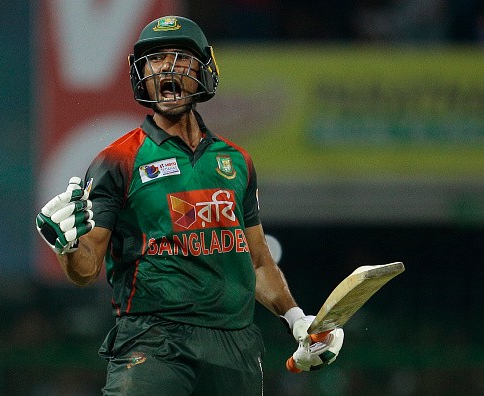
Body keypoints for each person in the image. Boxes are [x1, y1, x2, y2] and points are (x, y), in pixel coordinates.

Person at [36, 16, 344, 395]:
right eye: (155, 59)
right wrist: (66, 247)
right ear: (141, 75)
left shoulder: (238, 162)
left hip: (236, 348)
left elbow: (258, 261)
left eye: (179, 57)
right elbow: (85, 269)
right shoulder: (116, 161)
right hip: (154, 344)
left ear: (203, 68)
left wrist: (297, 320)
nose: (166, 67)